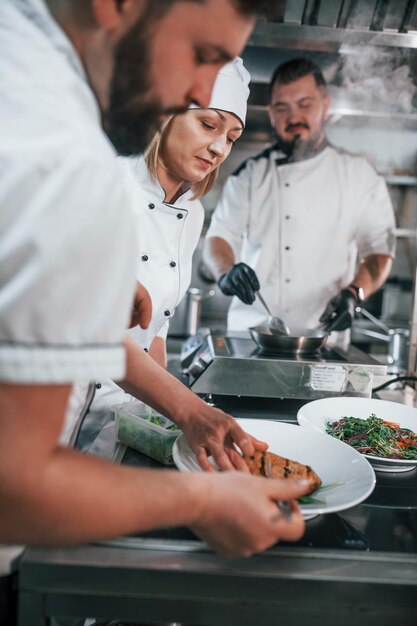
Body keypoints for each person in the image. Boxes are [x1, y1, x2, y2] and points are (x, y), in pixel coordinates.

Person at [0, 0, 307, 557]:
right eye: (200, 56)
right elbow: (12, 489)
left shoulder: (23, 62)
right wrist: (203, 501)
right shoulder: (62, 153)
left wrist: (188, 413)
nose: (188, 90)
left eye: (230, 134)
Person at [89, 57, 250, 432]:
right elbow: (93, 329)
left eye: (231, 137)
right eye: (208, 124)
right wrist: (186, 409)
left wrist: (158, 421)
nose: (219, 148)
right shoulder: (104, 185)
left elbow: (154, 332)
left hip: (123, 416)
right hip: (60, 406)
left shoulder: (192, 214)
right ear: (166, 115)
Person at [203, 57, 396, 348]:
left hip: (323, 341)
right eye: (282, 108)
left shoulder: (359, 176)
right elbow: (218, 238)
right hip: (251, 335)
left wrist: (355, 293)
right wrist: (226, 272)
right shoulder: (250, 174)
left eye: (305, 104)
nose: (294, 117)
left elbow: (378, 252)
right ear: (270, 113)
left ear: (325, 107)